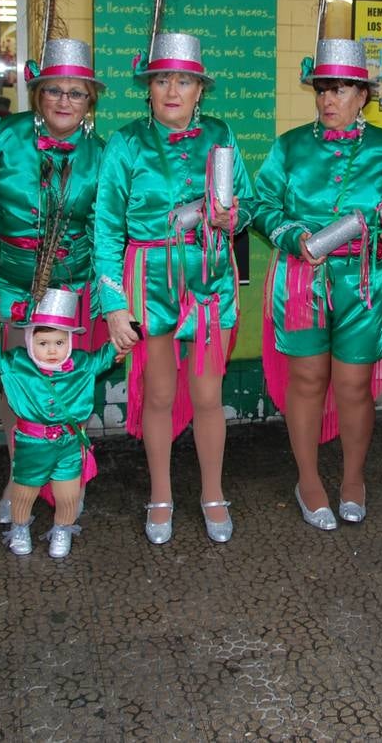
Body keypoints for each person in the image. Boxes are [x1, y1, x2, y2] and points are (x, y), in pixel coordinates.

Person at [94, 32, 253, 545]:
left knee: (208, 396)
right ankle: (160, 494)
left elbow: (245, 205)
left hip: (209, 279)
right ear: (149, 87)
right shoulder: (124, 143)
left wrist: (232, 218)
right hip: (148, 279)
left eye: (183, 80)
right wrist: (115, 303)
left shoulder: (222, 134)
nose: (172, 90)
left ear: (199, 89)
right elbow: (105, 228)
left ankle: (212, 493)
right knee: (159, 395)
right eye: (162, 79)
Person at [253, 39, 382, 531]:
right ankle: (309, 480)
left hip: (363, 279)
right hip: (301, 278)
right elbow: (261, 206)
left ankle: (353, 478)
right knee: (308, 379)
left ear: (362, 95)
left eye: (340, 90)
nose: (328, 100)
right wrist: (295, 236)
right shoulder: (289, 146)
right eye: (321, 90)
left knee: (354, 384)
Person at [0, 38, 109, 524]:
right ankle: (19, 475)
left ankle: (67, 475)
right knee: (18, 383)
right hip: (8, 282)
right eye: (54, 91)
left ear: (90, 100)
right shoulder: (2, 137)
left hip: (73, 285)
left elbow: (108, 228)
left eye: (76, 93)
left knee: (65, 378)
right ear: (37, 93)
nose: (64, 101)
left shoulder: (103, 154)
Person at [0, 288, 120, 558]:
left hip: (69, 444)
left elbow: (106, 356)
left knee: (69, 495)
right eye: (43, 343)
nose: (52, 350)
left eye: (59, 343)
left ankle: (63, 529)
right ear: (29, 341)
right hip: (31, 444)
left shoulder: (82, 365)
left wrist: (125, 338)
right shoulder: (17, 364)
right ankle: (19, 527)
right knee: (24, 492)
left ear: (70, 341)